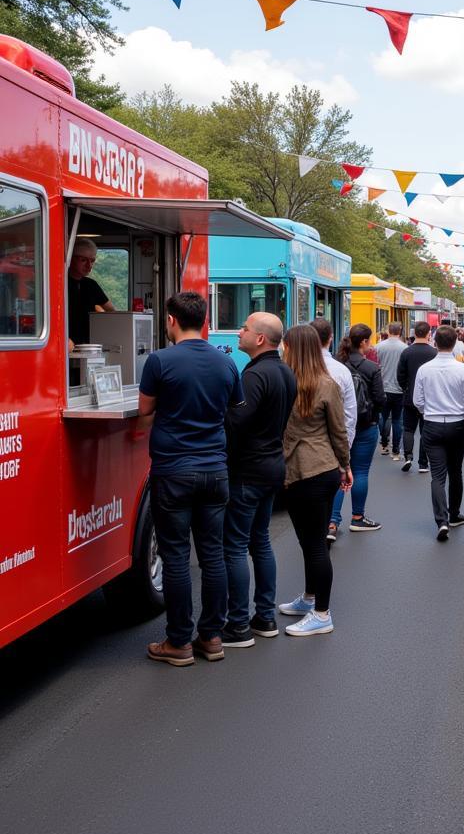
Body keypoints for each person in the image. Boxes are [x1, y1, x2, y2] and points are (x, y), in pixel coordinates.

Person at [139, 291, 244, 667]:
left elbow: (144, 410)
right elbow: (234, 408)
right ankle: (212, 637)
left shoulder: (159, 361)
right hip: (215, 470)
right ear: (203, 320)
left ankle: (179, 642)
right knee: (212, 554)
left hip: (173, 470)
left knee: (177, 557)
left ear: (170, 320)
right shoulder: (226, 362)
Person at [222, 312, 297, 646]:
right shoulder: (284, 372)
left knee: (235, 546)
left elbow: (237, 422)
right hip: (272, 466)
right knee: (260, 541)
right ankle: (264, 617)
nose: (239, 332)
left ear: (260, 339)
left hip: (247, 469)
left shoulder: (254, 376)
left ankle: (237, 625)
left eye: (245, 328)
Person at [278, 325, 353, 636]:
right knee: (310, 541)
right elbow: (339, 431)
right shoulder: (327, 383)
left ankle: (322, 613)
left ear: (293, 349)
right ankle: (310, 599)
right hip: (322, 468)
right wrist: (345, 465)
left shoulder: (285, 382)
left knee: (314, 544)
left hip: (301, 470)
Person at [414, 324, 464, 542]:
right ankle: (455, 513)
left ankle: (441, 520)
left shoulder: (424, 369)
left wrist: (427, 412)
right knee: (455, 470)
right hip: (457, 423)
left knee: (437, 475)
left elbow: (417, 401)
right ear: (455, 342)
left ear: (435, 342)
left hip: (432, 423)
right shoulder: (463, 370)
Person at [334, 323, 386, 532]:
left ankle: (332, 521)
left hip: (339, 427)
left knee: (339, 471)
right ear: (364, 342)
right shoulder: (372, 368)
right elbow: (380, 399)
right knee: (360, 471)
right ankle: (357, 517)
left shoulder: (338, 365)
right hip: (365, 425)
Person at [310, 317, 357, 541]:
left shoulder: (292, 367)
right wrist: (345, 449)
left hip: (303, 445)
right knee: (336, 480)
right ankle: (331, 521)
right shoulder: (340, 371)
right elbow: (349, 415)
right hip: (331, 442)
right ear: (330, 339)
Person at [397, 320, 438, 473]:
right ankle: (423, 463)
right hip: (428, 399)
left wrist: (406, 388)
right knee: (425, 430)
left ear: (414, 334)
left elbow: (400, 375)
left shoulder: (406, 352)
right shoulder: (434, 353)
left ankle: (408, 456)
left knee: (408, 428)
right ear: (429, 334)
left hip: (409, 397)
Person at [67, 237, 115, 348]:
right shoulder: (60, 283)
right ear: (71, 259)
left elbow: (112, 312)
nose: (89, 266)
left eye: (92, 261)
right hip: (66, 344)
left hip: (88, 345)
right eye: (83, 260)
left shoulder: (91, 285)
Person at [376, 321, 407, 459]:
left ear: (389, 331)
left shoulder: (378, 347)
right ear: (400, 331)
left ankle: (383, 443)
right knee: (397, 420)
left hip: (383, 388)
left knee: (383, 416)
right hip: (399, 389)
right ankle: (395, 451)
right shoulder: (405, 348)